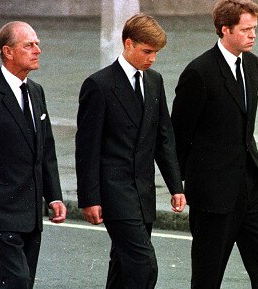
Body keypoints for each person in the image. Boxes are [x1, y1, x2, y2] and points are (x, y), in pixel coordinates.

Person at [171, 0, 258, 288]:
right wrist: (181, 184)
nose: (253, 35)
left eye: (255, 29)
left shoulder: (253, 65)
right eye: (246, 29)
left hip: (252, 187)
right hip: (213, 193)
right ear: (225, 30)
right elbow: (179, 134)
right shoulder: (199, 72)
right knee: (208, 277)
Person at [75, 13, 186, 289]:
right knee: (143, 265)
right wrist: (89, 198)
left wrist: (176, 186)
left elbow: (164, 138)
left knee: (123, 267)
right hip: (114, 193)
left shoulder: (154, 81)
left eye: (156, 53)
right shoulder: (99, 85)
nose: (152, 59)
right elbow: (86, 148)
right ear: (128, 44)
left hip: (143, 193)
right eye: (147, 51)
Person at [0, 21, 66, 289]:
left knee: (18, 281)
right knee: (18, 280)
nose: (37, 50)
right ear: (8, 52)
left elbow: (46, 149)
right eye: (29, 45)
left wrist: (53, 195)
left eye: (37, 44)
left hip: (30, 210)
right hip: (1, 209)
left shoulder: (36, 92)